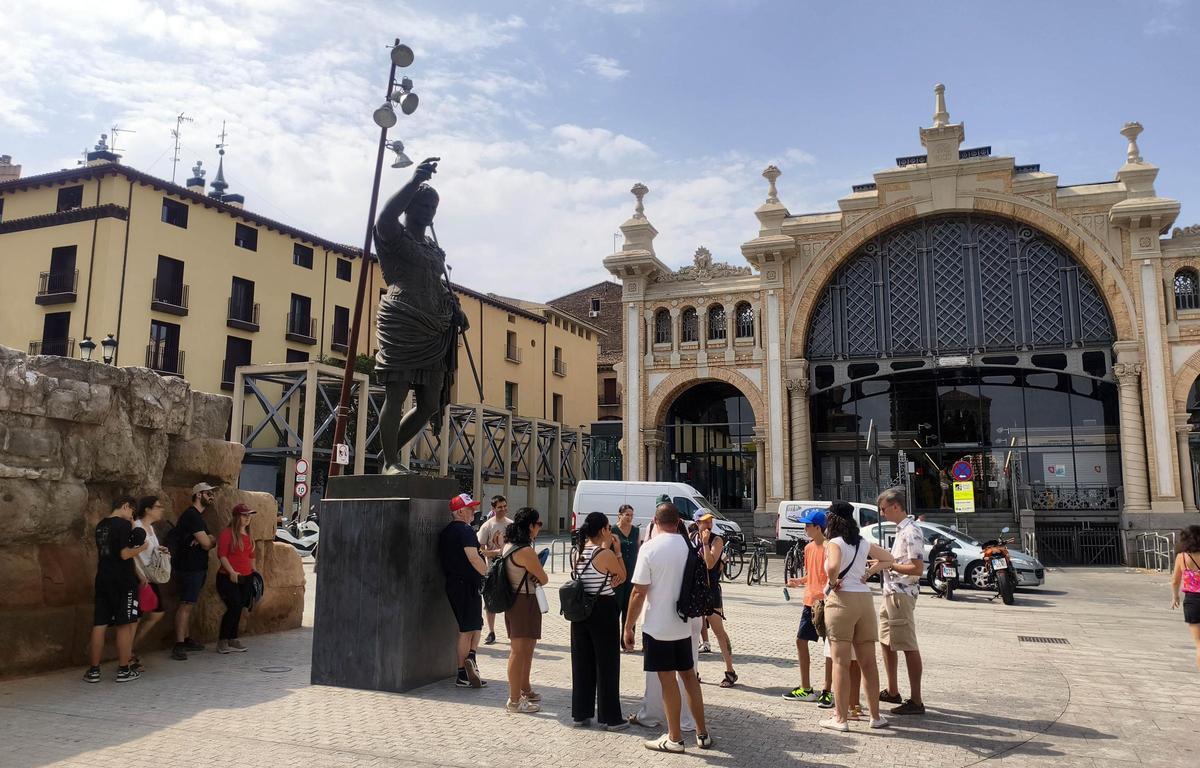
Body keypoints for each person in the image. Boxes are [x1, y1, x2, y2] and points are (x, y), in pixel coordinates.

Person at [373, 156, 468, 474]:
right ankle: (390, 462)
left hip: (435, 325)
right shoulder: (393, 235)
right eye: (424, 206)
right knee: (397, 393)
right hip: (403, 319)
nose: (429, 213)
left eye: (433, 209)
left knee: (428, 403)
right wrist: (414, 180)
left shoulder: (431, 247)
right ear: (409, 207)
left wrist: (455, 307)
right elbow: (385, 214)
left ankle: (386, 452)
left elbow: (437, 284)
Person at [624, 502, 714, 753]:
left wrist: (628, 627)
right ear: (678, 522)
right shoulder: (689, 546)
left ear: (655, 521)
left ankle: (674, 738)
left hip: (658, 625)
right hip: (684, 624)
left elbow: (638, 592)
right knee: (689, 677)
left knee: (667, 681)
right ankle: (702, 733)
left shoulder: (650, 548)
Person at [819, 501, 895, 732]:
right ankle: (875, 716)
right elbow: (888, 559)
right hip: (864, 601)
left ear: (832, 519)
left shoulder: (834, 542)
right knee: (868, 663)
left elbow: (832, 567)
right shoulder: (862, 542)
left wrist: (833, 581)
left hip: (842, 602)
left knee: (840, 663)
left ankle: (840, 718)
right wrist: (868, 573)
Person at [568, 512, 627, 729]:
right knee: (607, 664)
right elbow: (622, 576)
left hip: (581, 611)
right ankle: (611, 717)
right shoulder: (605, 553)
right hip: (603, 608)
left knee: (582, 662)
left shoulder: (579, 552)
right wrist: (617, 552)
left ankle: (581, 713)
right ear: (603, 530)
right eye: (608, 527)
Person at [83, 496, 149, 683]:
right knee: (125, 624)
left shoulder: (101, 525)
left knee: (100, 624)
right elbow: (124, 553)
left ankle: (94, 670)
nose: (132, 516)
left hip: (103, 578)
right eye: (131, 512)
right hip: (123, 581)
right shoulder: (122, 525)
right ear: (125, 506)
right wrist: (142, 547)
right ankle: (123, 669)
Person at [876, 487, 926, 715]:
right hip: (890, 592)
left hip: (901, 594)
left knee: (907, 645)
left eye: (884, 509)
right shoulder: (900, 530)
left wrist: (890, 565)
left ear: (896, 507)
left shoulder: (911, 531)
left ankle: (916, 700)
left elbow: (916, 569)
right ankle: (892, 689)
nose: (882, 513)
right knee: (886, 641)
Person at [498, 507, 549, 713]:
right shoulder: (525, 550)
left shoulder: (510, 545)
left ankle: (525, 688)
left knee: (527, 649)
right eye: (538, 524)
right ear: (530, 526)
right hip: (523, 601)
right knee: (519, 651)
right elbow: (543, 578)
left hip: (519, 600)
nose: (539, 528)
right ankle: (514, 700)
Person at [438, 493, 489, 689]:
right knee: (468, 630)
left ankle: (470, 663)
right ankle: (463, 673)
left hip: (455, 584)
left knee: (475, 626)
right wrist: (488, 575)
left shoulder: (446, 532)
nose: (473, 512)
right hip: (466, 585)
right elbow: (473, 557)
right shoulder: (465, 531)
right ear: (459, 511)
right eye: (470, 509)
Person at [783, 508, 833, 706]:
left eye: (807, 525)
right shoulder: (808, 548)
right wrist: (800, 581)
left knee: (829, 648)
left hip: (827, 603)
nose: (805, 528)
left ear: (818, 527)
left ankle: (827, 690)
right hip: (809, 602)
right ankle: (806, 688)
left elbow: (830, 576)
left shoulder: (830, 548)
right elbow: (813, 575)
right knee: (800, 641)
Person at [691, 510, 737, 688]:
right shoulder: (691, 537)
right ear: (697, 523)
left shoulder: (716, 540)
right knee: (692, 632)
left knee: (719, 631)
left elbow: (710, 563)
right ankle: (692, 671)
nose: (708, 524)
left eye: (710, 521)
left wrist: (704, 543)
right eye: (704, 521)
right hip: (695, 590)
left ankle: (730, 671)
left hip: (711, 592)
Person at [172, 482, 217, 661]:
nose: (212, 496)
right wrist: (206, 541)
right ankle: (179, 644)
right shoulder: (192, 516)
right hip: (190, 568)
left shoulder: (198, 517)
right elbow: (208, 543)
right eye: (209, 493)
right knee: (186, 605)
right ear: (199, 495)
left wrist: (207, 540)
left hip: (195, 567)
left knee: (189, 604)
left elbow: (211, 538)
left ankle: (186, 639)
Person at [130, 496, 169, 672]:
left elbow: (152, 551)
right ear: (147, 509)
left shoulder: (151, 528)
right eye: (158, 506)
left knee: (156, 613)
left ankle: (132, 646)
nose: (161, 509)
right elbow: (131, 552)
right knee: (135, 617)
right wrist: (138, 574)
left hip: (150, 576)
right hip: (140, 577)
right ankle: (128, 655)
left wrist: (162, 551)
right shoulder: (136, 527)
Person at [215, 503, 257, 653]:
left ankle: (232, 638)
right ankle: (223, 640)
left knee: (239, 607)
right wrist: (232, 572)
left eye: (249, 515)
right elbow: (222, 555)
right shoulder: (227, 533)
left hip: (246, 577)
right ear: (237, 517)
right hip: (228, 577)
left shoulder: (248, 535)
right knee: (234, 606)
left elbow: (251, 556)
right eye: (245, 515)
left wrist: (254, 574)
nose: (248, 518)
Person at [477, 495, 510, 645]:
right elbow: (481, 548)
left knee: (509, 600)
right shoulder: (487, 526)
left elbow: (513, 548)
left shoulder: (511, 525)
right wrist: (491, 555)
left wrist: (497, 552)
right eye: (499, 507)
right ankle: (491, 632)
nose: (503, 509)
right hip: (492, 570)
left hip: (509, 568)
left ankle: (511, 631)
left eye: (504, 506)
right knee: (490, 602)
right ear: (493, 509)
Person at [1170, 525, 1200, 671]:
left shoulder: (1181, 557)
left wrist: (1175, 596)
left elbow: (1175, 580)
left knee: (1199, 643)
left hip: (1192, 601)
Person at [613, 504, 640, 646]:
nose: (629, 518)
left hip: (632, 574)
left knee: (630, 608)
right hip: (617, 576)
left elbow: (639, 550)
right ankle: (612, 642)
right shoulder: (612, 530)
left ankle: (628, 642)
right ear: (619, 515)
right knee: (616, 608)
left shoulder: (636, 530)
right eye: (627, 515)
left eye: (631, 515)